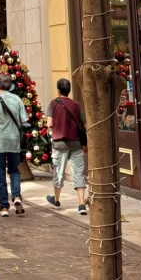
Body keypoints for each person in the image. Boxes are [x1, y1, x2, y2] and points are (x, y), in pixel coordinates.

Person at [0, 74, 28, 217]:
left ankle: (3, 207)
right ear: (11, 85)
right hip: (13, 141)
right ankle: (17, 196)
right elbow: (24, 120)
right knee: (14, 170)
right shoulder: (17, 100)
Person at [47, 77, 87, 213]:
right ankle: (81, 203)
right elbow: (85, 124)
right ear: (69, 90)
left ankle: (57, 200)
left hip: (59, 144)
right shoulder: (77, 105)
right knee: (78, 173)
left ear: (58, 91)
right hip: (76, 143)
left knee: (58, 172)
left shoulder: (53, 104)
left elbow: (49, 124)